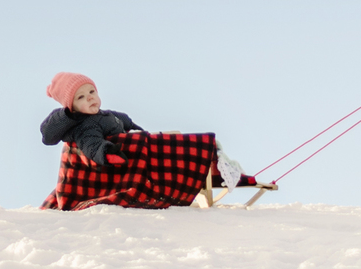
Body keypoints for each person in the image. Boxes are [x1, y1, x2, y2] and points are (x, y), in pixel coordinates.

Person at [36, 72, 272, 210]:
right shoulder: (85, 126)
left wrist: (141, 134)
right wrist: (108, 153)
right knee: (177, 145)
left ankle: (212, 167)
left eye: (92, 92)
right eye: (81, 97)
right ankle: (201, 164)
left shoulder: (111, 116)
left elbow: (132, 126)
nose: (90, 98)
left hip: (135, 150)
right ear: (71, 106)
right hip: (119, 162)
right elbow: (91, 145)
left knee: (173, 138)